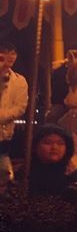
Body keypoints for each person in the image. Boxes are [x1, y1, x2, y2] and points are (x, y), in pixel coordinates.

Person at [0, 40, 29, 184]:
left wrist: (4, 117)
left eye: (13, 53)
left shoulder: (19, 81)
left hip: (5, 132)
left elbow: (21, 106)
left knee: (4, 168)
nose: (10, 57)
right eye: (5, 53)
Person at [26, 124, 76, 199]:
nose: (54, 147)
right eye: (47, 143)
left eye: (60, 143)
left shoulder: (71, 174)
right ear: (35, 146)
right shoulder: (26, 171)